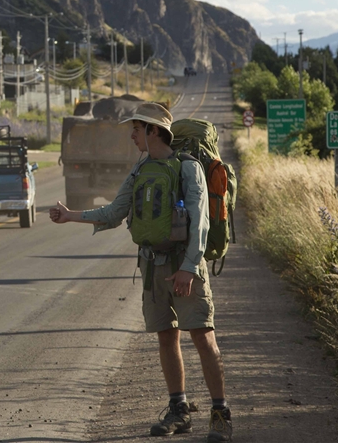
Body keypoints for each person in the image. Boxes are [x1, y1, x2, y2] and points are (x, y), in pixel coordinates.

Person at [49, 102, 232, 442]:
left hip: (185, 266)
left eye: (136, 128)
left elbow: (201, 223)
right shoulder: (139, 169)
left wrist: (190, 269)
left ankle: (221, 413)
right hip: (152, 267)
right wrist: (70, 214)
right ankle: (179, 410)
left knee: (203, 337)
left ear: (152, 131)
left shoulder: (187, 168)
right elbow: (115, 211)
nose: (132, 135)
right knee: (166, 335)